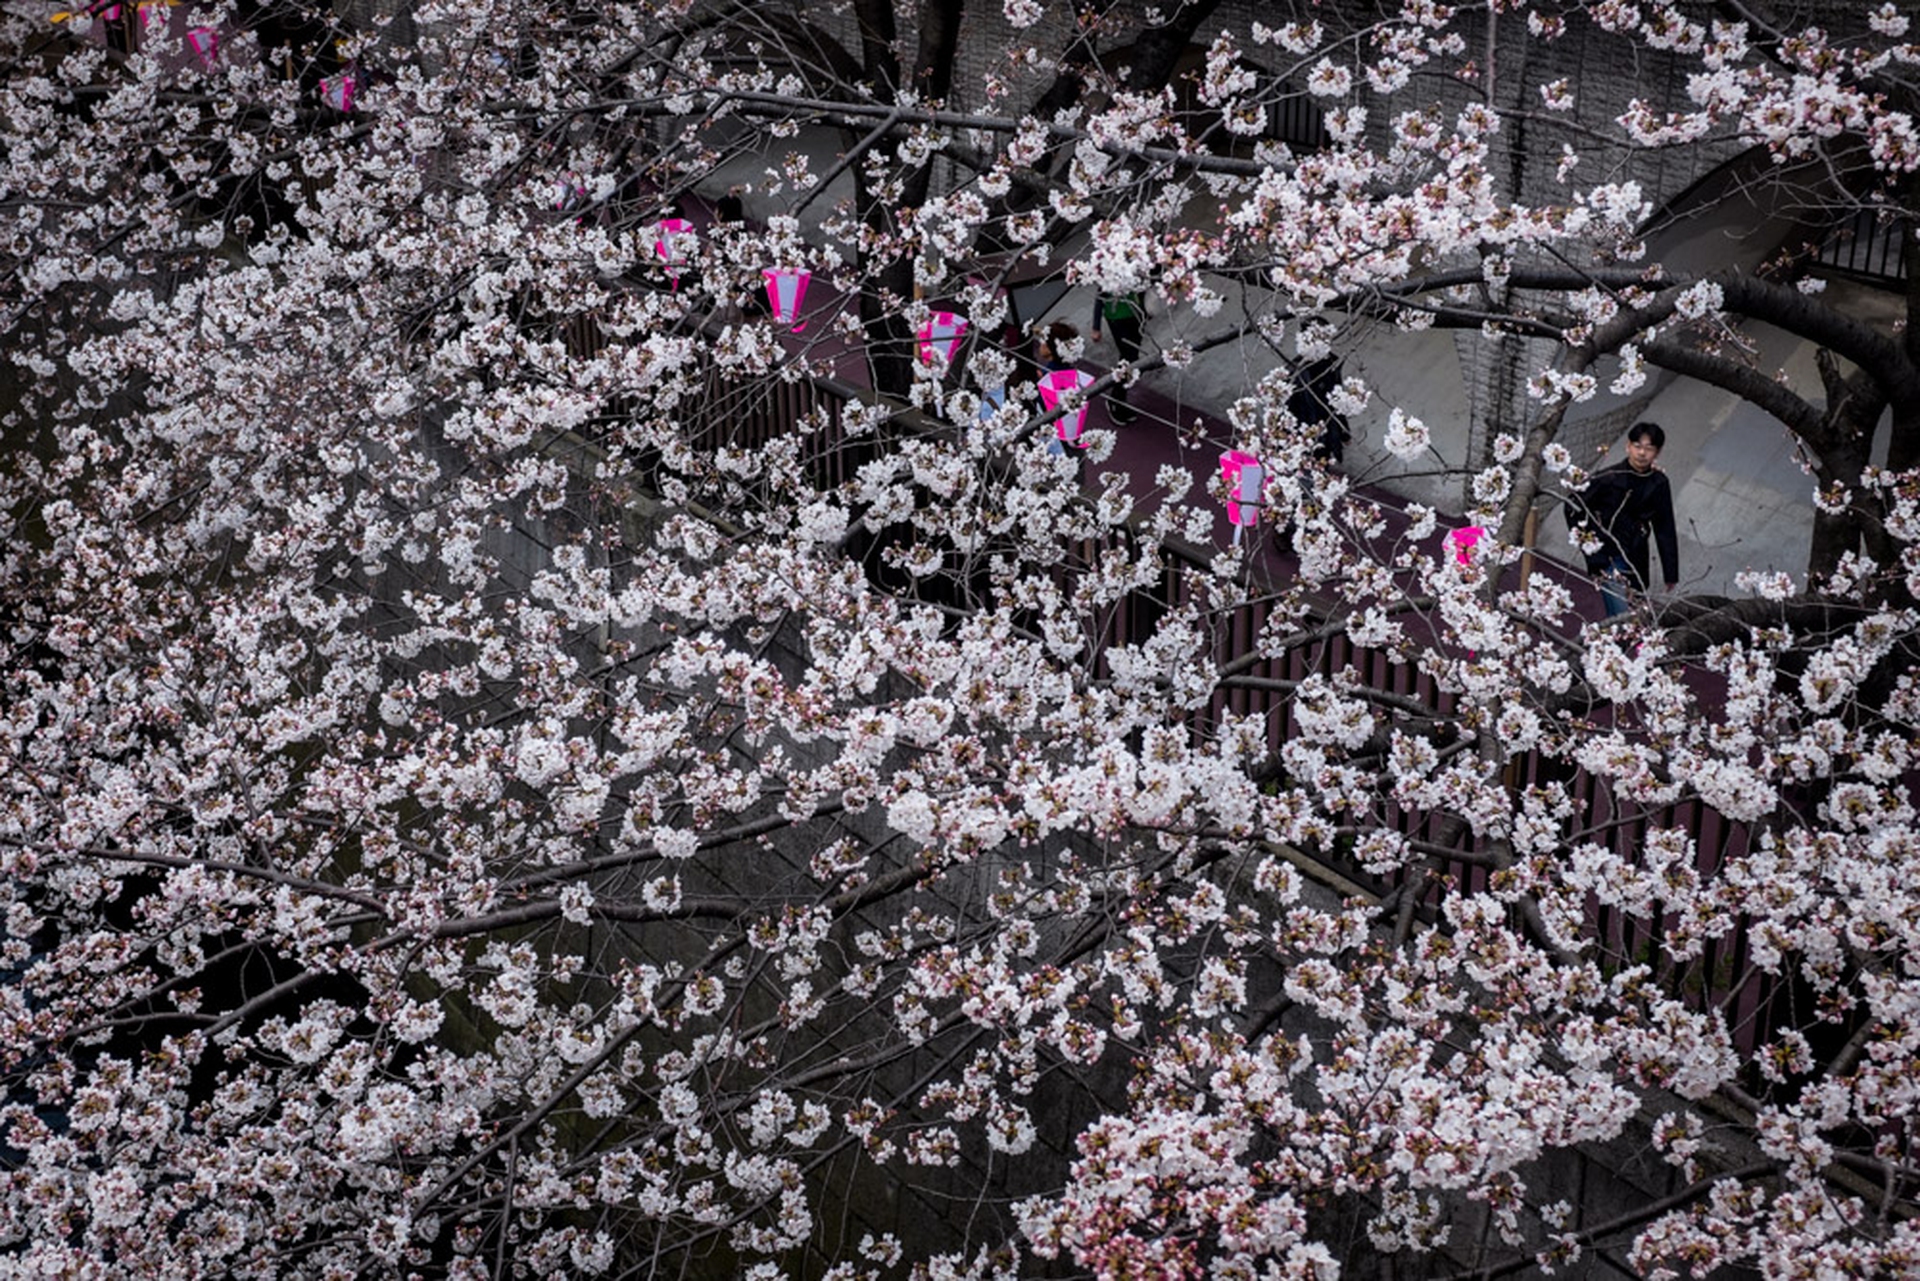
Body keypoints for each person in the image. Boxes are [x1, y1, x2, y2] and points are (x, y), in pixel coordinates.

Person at [1571, 421, 1679, 618]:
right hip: (1607, 553)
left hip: (1636, 552)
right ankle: (1615, 645)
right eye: (1637, 446)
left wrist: (1670, 572)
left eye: (1649, 448)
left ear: (1657, 452)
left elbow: (1665, 526)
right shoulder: (1608, 477)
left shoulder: (1659, 482)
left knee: (1635, 611)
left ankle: (1621, 645)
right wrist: (1588, 542)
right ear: (1628, 446)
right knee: (1620, 613)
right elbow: (1573, 505)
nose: (1642, 453)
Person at [1090, 291, 1147, 423]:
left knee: (1131, 358)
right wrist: (1096, 327)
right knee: (1129, 358)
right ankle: (1115, 400)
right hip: (1117, 318)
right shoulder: (1107, 274)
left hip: (1135, 314)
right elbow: (1099, 297)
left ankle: (1119, 399)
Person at [1287, 354, 1348, 466]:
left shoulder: (1328, 368)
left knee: (1316, 461)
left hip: (1317, 427)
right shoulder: (1300, 371)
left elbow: (1337, 404)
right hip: (1309, 425)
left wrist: (1344, 432)